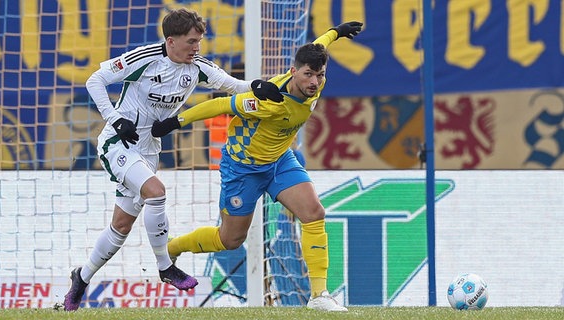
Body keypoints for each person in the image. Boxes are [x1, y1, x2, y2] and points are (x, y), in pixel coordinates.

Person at [63, 8, 283, 311]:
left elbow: (234, 85)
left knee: (121, 227)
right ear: (171, 41)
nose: (197, 48)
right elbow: (94, 80)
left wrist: (258, 85)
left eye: (200, 41)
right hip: (118, 143)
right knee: (157, 192)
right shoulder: (145, 58)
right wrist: (114, 119)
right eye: (192, 42)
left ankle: (82, 277)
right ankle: (166, 266)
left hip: (148, 150)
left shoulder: (198, 67)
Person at [151, 21, 363, 311]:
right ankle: (173, 247)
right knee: (230, 239)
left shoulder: (316, 79)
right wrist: (174, 122)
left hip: (279, 160)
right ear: (293, 72)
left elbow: (320, 46)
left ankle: (319, 296)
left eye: (319, 74)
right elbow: (220, 106)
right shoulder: (267, 102)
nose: (314, 81)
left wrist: (336, 33)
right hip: (243, 168)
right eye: (308, 74)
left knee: (314, 213)